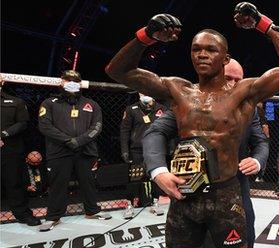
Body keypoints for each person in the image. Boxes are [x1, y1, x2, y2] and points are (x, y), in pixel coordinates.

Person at [105, 3, 279, 248]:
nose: (201, 54)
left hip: (226, 198)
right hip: (185, 198)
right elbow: (117, 70)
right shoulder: (178, 90)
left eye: (210, 49)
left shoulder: (243, 93)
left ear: (225, 57)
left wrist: (261, 23)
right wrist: (145, 36)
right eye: (196, 48)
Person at [142, 58, 271, 248]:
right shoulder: (188, 104)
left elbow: (261, 142)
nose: (234, 84)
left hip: (235, 192)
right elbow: (155, 133)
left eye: (239, 79)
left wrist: (258, 160)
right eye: (230, 78)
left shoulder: (247, 107)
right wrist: (158, 170)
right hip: (194, 195)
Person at [38, 70, 111, 232]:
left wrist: (79, 141)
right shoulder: (49, 103)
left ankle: (92, 211)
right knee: (57, 184)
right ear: (61, 82)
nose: (71, 82)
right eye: (68, 79)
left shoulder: (92, 104)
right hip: (59, 150)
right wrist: (67, 140)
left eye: (75, 80)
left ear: (80, 83)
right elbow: (45, 126)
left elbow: (97, 127)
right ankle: (53, 217)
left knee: (89, 182)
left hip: (85, 150)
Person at [0, 76, 41, 226]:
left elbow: (23, 123)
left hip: (10, 150)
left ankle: (23, 214)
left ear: (2, 82)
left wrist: (3, 134)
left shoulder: (16, 102)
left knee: (15, 183)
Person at [119, 93, 166, 218]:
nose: (145, 95)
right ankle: (129, 205)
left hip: (156, 148)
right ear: (139, 94)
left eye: (147, 92)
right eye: (142, 92)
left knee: (156, 176)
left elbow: (168, 129)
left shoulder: (162, 109)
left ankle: (155, 203)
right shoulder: (131, 109)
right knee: (134, 177)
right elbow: (124, 131)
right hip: (137, 149)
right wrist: (125, 150)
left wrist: (169, 147)